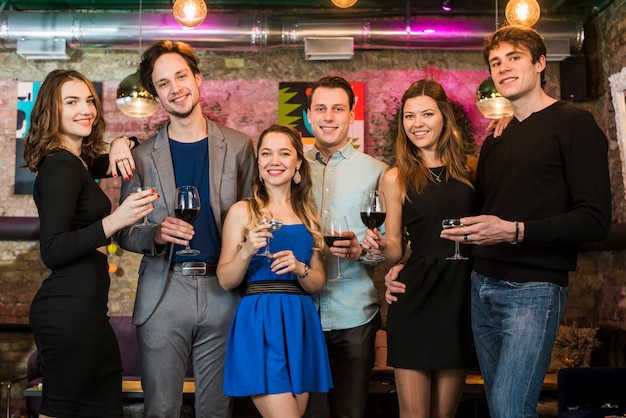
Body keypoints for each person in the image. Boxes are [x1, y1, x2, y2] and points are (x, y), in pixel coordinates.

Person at [440, 25, 612, 418]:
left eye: (514, 57)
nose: (503, 68)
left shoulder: (575, 124)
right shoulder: (497, 138)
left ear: (539, 63)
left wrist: (515, 231)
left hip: (533, 289)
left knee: (510, 408)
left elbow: (595, 220)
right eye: (495, 62)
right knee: (500, 407)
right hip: (481, 285)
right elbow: (484, 210)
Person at [115, 40, 256, 418]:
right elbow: (125, 230)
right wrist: (156, 233)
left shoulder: (240, 147)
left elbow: (253, 216)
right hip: (164, 292)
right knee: (161, 409)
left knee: (218, 410)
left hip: (224, 291)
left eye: (181, 76)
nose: (175, 88)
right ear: (157, 95)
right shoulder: (142, 156)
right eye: (163, 83)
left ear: (197, 79)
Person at [23, 69, 157, 418]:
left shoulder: (78, 162)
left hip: (86, 309)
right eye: (71, 102)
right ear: (52, 110)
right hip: (68, 311)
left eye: (89, 100)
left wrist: (119, 142)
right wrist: (117, 220)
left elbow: (125, 154)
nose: (86, 109)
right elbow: (52, 249)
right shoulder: (61, 165)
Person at [363, 79, 478, 418]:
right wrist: (384, 248)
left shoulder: (472, 169)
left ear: (444, 117)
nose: (417, 124)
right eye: (409, 116)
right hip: (416, 297)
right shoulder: (396, 177)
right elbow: (396, 248)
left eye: (426, 114)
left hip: (461, 295)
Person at [217, 124, 333, 418]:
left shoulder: (309, 214)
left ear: (297, 163)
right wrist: (246, 250)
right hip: (259, 323)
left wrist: (300, 268)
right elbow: (225, 280)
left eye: (284, 153)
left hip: (300, 322)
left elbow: (318, 281)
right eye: (266, 153)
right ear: (258, 164)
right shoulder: (243, 211)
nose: (274, 161)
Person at [303, 76, 389, 418]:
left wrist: (363, 252)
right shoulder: (289, 169)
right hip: (301, 314)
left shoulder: (377, 172)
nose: (328, 116)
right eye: (320, 109)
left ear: (351, 114)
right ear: (308, 116)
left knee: (349, 414)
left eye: (337, 108)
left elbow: (391, 247)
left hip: (355, 316)